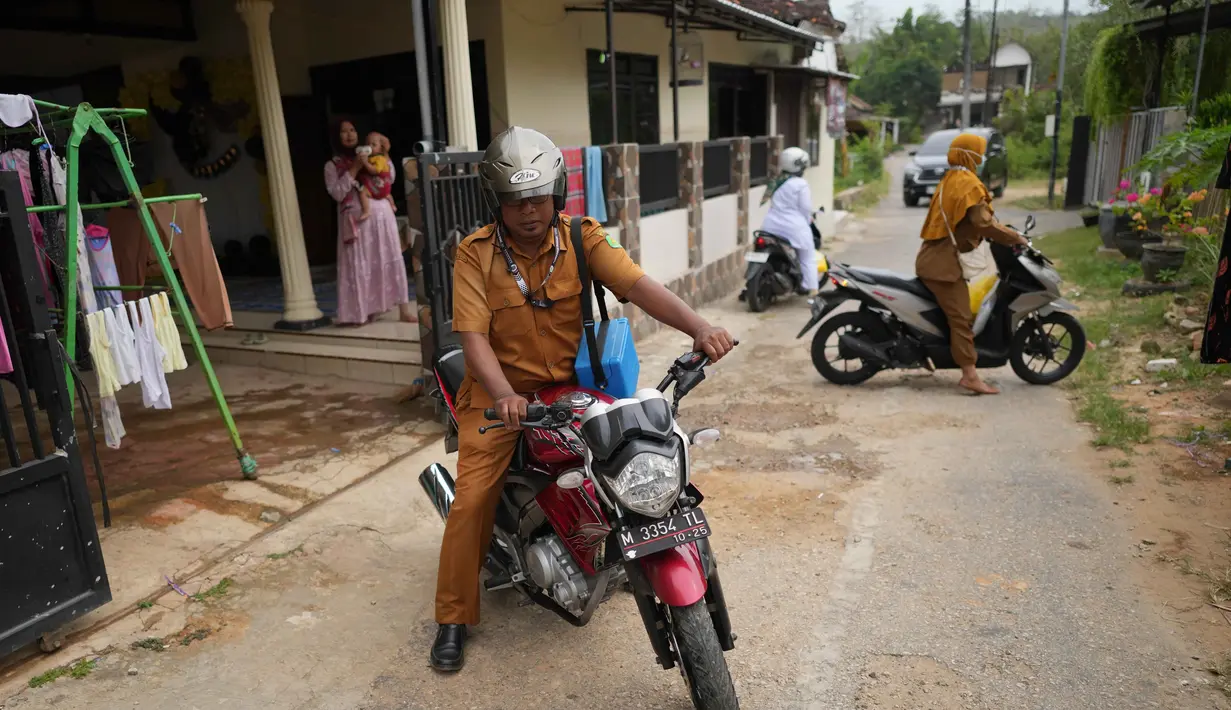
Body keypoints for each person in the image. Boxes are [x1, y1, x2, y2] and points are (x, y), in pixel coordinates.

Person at [430, 126, 736, 672]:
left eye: (538, 197)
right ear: (495, 201)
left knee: (627, 450)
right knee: (473, 499)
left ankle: (620, 548)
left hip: (571, 384)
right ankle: (454, 615)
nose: (528, 211)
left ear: (558, 192)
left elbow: (639, 285)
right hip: (498, 398)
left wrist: (699, 327)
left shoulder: (582, 237)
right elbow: (472, 338)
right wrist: (503, 396)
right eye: (515, 200)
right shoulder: (474, 256)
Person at [915, 132, 1028, 395]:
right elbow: (983, 223)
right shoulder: (968, 183)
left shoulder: (951, 179)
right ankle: (969, 375)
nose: (981, 158)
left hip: (933, 257)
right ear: (969, 154)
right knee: (961, 318)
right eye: (978, 152)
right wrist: (1015, 237)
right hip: (943, 265)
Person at [323, 118, 416, 325]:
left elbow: (389, 178)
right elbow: (337, 193)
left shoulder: (373, 154)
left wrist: (385, 152)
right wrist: (354, 168)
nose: (349, 135)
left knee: (390, 259)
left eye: (352, 130)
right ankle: (361, 313)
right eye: (343, 132)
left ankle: (403, 310)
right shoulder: (333, 165)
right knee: (361, 266)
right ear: (336, 138)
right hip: (357, 222)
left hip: (382, 215)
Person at [759, 146, 819, 295]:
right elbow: (805, 208)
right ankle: (812, 292)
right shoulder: (800, 184)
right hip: (794, 228)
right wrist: (808, 220)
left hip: (770, 226)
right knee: (807, 257)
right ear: (799, 165)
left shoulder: (776, 181)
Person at [355, 131, 397, 222]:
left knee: (362, 192)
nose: (369, 147)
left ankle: (366, 210)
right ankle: (392, 205)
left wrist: (365, 163)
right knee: (387, 194)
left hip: (379, 185)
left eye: (373, 144)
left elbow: (374, 171)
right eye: (367, 144)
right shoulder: (371, 158)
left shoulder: (380, 159)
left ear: (381, 149)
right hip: (381, 188)